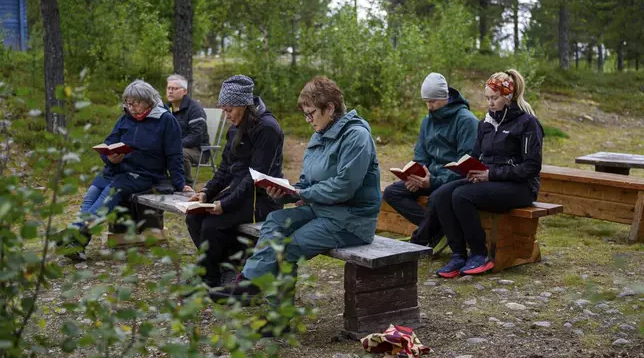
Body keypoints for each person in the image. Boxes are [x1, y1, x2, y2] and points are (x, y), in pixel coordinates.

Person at [213, 76, 381, 300]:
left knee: (287, 248)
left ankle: (275, 315)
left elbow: (344, 187)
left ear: (330, 108)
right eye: (306, 114)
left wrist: (303, 194)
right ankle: (247, 281)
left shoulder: (356, 137)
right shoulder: (319, 136)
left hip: (350, 220)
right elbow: (306, 182)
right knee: (275, 220)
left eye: (310, 113)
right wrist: (285, 193)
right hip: (322, 211)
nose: (307, 120)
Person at [427, 69, 543, 278]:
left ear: (508, 96)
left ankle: (479, 254)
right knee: (442, 194)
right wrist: (466, 168)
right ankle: (458, 256)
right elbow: (475, 156)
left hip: (522, 187)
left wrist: (490, 175)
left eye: (495, 98)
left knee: (461, 196)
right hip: (490, 181)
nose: (490, 103)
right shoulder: (486, 124)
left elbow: (531, 167)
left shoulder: (527, 123)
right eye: (487, 98)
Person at [62, 80, 192, 261]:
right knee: (94, 188)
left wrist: (180, 183)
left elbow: (174, 155)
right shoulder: (125, 118)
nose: (131, 107)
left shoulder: (165, 120)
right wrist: (109, 157)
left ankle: (74, 237)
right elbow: (110, 142)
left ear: (149, 101)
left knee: (111, 191)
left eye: (135, 103)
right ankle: (76, 240)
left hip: (146, 174)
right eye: (128, 103)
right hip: (119, 169)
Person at [185, 75, 285, 287]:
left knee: (213, 224)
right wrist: (207, 193)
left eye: (229, 109)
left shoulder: (267, 128)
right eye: (223, 109)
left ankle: (212, 279)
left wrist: (225, 204)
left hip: (264, 198)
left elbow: (255, 177)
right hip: (239, 190)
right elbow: (225, 168)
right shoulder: (235, 128)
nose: (226, 115)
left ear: (244, 104)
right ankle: (221, 269)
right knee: (194, 218)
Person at [382, 73, 478, 245]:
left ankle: (419, 240)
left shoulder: (466, 121)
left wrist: (432, 182)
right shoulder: (427, 121)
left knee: (436, 197)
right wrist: (413, 176)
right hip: (428, 177)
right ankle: (439, 227)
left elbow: (464, 166)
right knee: (392, 193)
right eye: (426, 102)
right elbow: (421, 156)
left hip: (453, 180)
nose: (429, 107)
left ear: (445, 98)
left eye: (433, 101)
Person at [166, 74, 210, 187]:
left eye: (174, 88)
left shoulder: (195, 109)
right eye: (169, 88)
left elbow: (196, 136)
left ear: (184, 91)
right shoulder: (165, 108)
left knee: (179, 152)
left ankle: (185, 186)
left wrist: (174, 145)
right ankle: (162, 182)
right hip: (173, 147)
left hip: (198, 150)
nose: (170, 91)